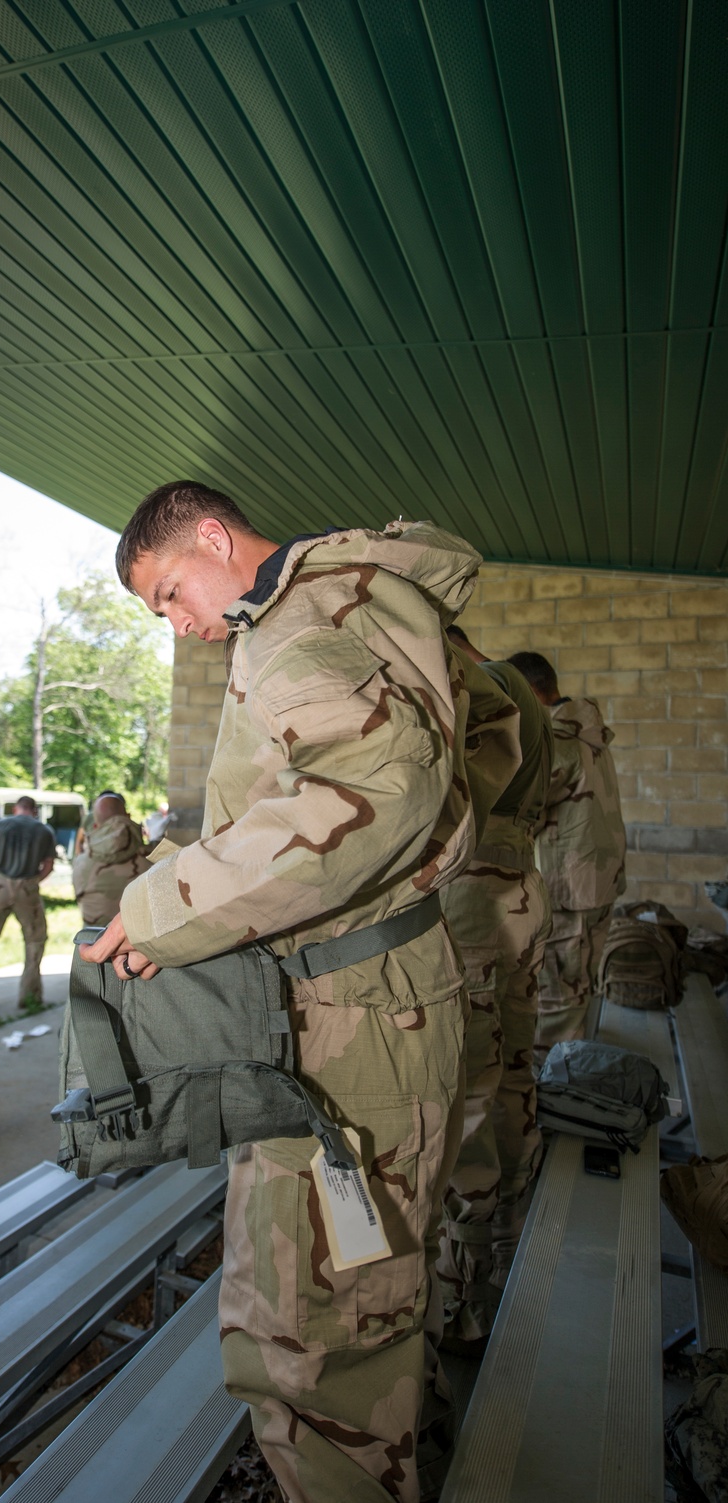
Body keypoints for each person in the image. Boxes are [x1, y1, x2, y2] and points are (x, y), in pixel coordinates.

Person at [78, 482, 520, 1503]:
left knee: (307, 1339)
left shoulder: (298, 624)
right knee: (361, 1301)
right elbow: (501, 753)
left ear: (214, 537)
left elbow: (367, 794)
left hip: (348, 1028)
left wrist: (164, 905)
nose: (182, 629)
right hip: (380, 1000)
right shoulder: (372, 605)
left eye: (171, 595)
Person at [437, 626, 554, 1349]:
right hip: (516, 894)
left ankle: (460, 1303)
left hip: (474, 907)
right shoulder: (529, 700)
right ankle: (509, 1254)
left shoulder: (481, 692)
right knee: (512, 1078)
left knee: (471, 1097)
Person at [508, 651, 626, 1057]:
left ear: (531, 692)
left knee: (558, 1001)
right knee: (577, 989)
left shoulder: (559, 740)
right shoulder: (587, 729)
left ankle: (560, 1102)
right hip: (596, 883)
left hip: (570, 888)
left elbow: (524, 809)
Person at [0, 795, 56, 1011]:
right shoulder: (44, 831)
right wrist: (34, 881)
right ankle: (29, 997)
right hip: (27, 888)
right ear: (34, 810)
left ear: (16, 808)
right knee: (34, 940)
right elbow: (48, 865)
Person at [72, 792, 152, 928]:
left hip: (93, 944)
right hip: (139, 945)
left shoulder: (81, 863)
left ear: (96, 826)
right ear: (127, 817)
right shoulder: (153, 859)